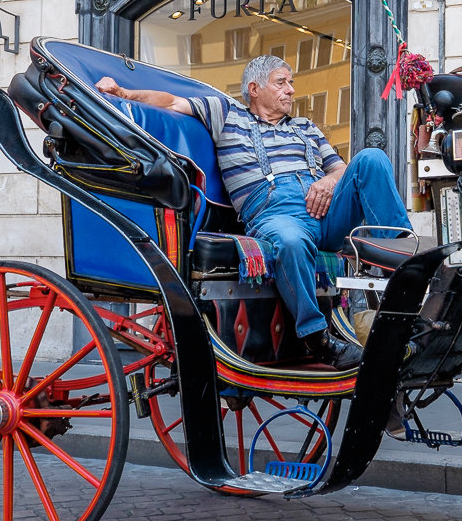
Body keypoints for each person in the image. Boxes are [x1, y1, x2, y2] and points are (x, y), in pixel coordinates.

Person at [97, 55, 411, 369]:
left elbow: (341, 169)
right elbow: (171, 102)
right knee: (289, 240)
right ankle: (318, 339)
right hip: (275, 213)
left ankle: (405, 270)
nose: (290, 90)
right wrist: (124, 94)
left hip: (325, 212)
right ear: (254, 88)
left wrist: (329, 180)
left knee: (371, 158)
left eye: (291, 83)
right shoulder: (227, 114)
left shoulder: (306, 127)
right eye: (281, 82)